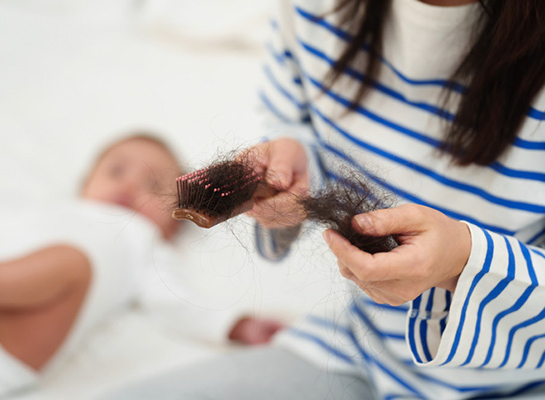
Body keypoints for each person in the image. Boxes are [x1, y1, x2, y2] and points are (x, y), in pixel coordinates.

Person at [101, 0, 545, 399]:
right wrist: (294, 166)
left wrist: (464, 263)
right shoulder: (315, 9)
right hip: (356, 353)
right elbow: (294, 124)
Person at [0, 133, 283, 398]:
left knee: (73, 264)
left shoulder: (145, 243)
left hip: (1, 348)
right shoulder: (52, 210)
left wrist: (234, 325)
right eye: (116, 170)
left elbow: (178, 302)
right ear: (85, 182)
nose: (129, 185)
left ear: (175, 221)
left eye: (153, 186)